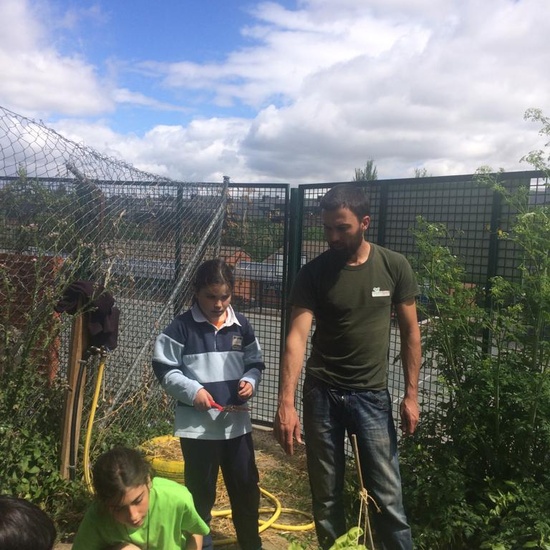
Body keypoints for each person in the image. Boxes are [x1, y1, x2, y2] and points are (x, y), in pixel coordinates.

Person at [273, 183, 421, 550]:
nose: (333, 236)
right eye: (327, 228)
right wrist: (286, 402)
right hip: (322, 394)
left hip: (371, 397)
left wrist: (411, 394)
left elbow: (410, 332)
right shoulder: (314, 273)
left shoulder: (393, 266)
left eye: (342, 228)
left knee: (388, 497)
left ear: (365, 222)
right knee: (326, 497)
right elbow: (296, 336)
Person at [152, 258, 265, 550]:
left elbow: (255, 363)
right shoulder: (180, 328)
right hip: (198, 431)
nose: (218, 304)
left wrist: (250, 382)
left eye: (225, 297)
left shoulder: (241, 326)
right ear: (196, 292)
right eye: (211, 297)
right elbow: (165, 369)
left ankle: (251, 544)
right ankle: (202, 546)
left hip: (236, 428)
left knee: (246, 489)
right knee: (200, 495)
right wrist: (193, 391)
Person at [71, 446, 209, 550]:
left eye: (138, 501)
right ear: (104, 503)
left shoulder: (176, 498)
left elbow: (195, 533)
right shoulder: (97, 516)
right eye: (118, 509)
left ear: (148, 481)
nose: (133, 516)